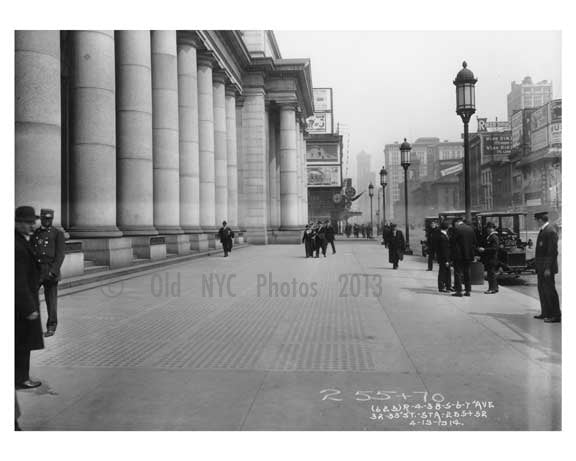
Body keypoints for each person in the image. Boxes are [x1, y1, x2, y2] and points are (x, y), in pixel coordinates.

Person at [15, 206, 44, 389]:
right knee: (22, 344)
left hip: (20, 304)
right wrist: (29, 308)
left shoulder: (20, 241)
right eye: (28, 223)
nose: (32, 226)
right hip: (21, 307)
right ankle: (21, 379)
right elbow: (18, 281)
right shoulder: (16, 246)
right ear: (17, 223)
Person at [31, 209, 65, 337]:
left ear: (52, 219)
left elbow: (60, 255)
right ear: (41, 218)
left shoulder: (57, 234)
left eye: (49, 219)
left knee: (51, 302)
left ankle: (51, 326)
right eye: (45, 218)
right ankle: (33, 326)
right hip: (37, 271)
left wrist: (54, 271)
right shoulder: (36, 233)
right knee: (32, 299)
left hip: (50, 270)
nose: (47, 221)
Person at [533, 212, 561, 323]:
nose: (536, 223)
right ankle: (546, 312)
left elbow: (552, 252)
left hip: (547, 268)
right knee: (542, 290)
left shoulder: (550, 231)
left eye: (536, 220)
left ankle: (555, 315)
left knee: (550, 291)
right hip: (541, 268)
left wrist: (548, 268)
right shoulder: (544, 230)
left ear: (540, 220)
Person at [451, 216, 477, 297]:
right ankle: (468, 290)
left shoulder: (457, 229)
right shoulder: (470, 229)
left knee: (458, 273)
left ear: (456, 222)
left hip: (458, 256)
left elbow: (452, 242)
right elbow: (474, 242)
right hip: (468, 255)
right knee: (467, 272)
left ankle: (459, 291)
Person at [478, 221, 499, 294]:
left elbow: (495, 248)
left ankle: (491, 288)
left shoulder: (494, 237)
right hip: (490, 258)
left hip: (492, 258)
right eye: (488, 228)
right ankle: (495, 287)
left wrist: (484, 249)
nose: (488, 229)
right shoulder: (490, 236)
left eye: (490, 228)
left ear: (493, 228)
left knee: (491, 274)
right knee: (492, 273)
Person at [437, 221, 452, 292]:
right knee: (443, 272)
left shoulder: (443, 235)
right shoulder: (442, 236)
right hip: (444, 258)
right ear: (447, 228)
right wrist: (446, 260)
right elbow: (444, 249)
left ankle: (448, 286)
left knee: (447, 272)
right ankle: (442, 287)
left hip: (445, 257)